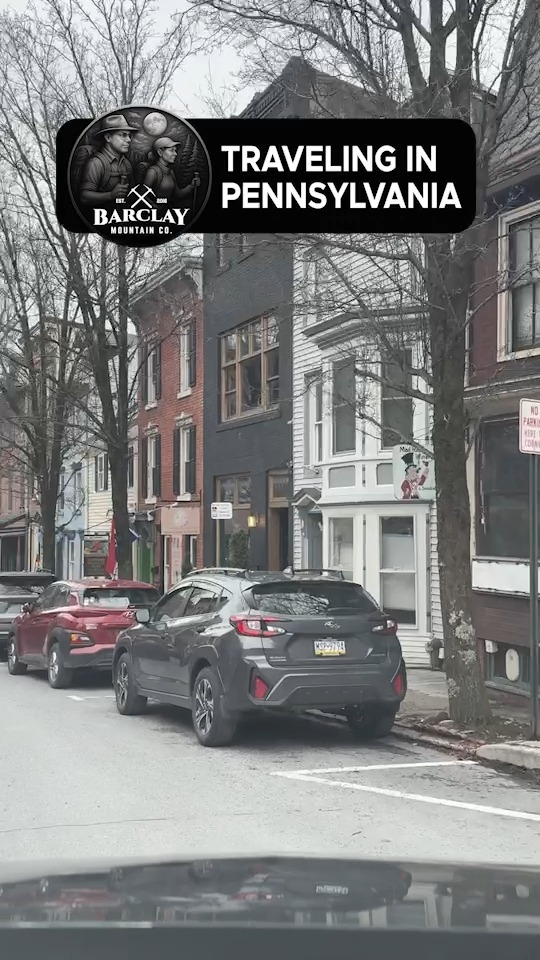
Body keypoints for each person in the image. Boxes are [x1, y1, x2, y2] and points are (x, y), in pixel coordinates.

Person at [79, 114, 137, 206]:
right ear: (108, 138)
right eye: (123, 135)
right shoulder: (96, 163)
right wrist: (110, 195)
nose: (128, 139)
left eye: (129, 135)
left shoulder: (126, 163)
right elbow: (84, 197)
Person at [142, 136, 200, 203]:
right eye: (171, 150)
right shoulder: (153, 172)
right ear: (160, 152)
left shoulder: (170, 172)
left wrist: (191, 186)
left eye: (175, 150)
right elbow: (143, 196)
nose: (175, 154)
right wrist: (156, 205)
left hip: (167, 209)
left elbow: (177, 194)